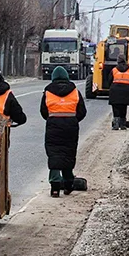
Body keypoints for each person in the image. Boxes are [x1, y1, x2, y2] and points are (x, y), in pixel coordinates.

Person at [41, 65, 87, 197]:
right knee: (68, 153)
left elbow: (43, 111)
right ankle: (68, 184)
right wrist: (72, 120)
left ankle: (55, 187)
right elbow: (82, 112)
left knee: (54, 154)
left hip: (53, 126)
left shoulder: (48, 92)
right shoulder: (75, 91)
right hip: (71, 127)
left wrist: (53, 118)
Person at [109, 57, 129, 130]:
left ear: (118, 62)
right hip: (126, 91)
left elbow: (109, 80)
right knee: (124, 107)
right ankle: (123, 125)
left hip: (115, 91)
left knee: (116, 108)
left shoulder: (114, 70)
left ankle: (116, 125)